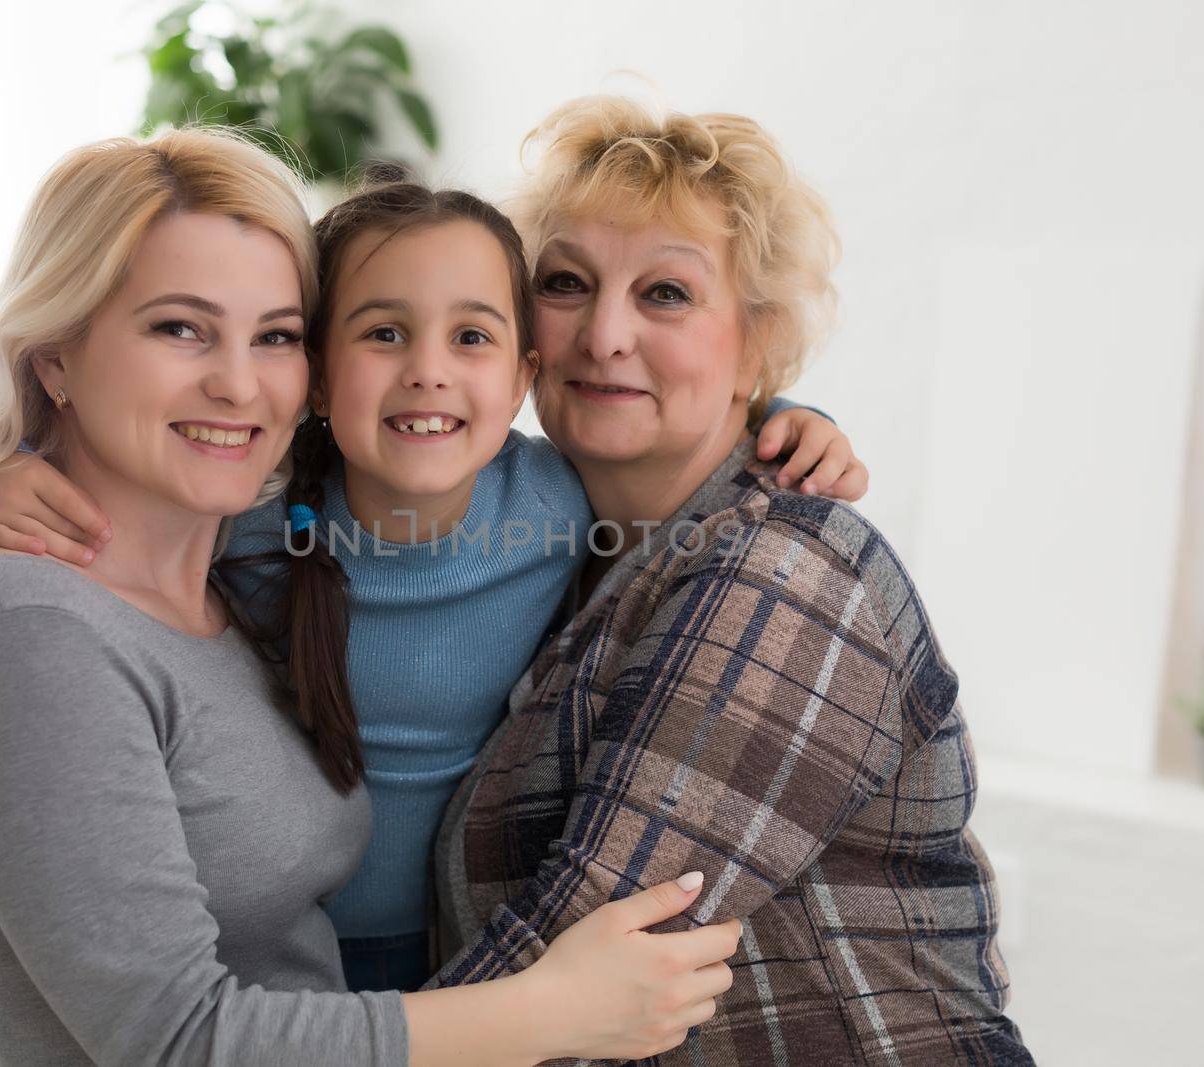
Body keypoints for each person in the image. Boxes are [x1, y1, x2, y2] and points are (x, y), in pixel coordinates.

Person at [0, 127, 742, 1066]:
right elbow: (180, 1040)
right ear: (52, 355)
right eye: (179, 327)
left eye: (272, 335)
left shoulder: (214, 597)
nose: (238, 384)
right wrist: (550, 1012)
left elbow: (672, 479)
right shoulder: (29, 631)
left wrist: (781, 422)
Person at [0, 181, 867, 992]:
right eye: (384, 332)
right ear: (315, 373)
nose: (428, 368)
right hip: (282, 957)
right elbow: (99, 494)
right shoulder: (245, 512)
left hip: (475, 939)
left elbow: (681, 473)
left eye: (471, 336)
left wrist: (786, 418)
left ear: (523, 377)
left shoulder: (555, 502)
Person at [427, 96, 1034, 1066]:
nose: (604, 333)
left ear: (756, 339)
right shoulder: (551, 550)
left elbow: (582, 947)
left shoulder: (785, 562)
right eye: (566, 281)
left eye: (664, 293)